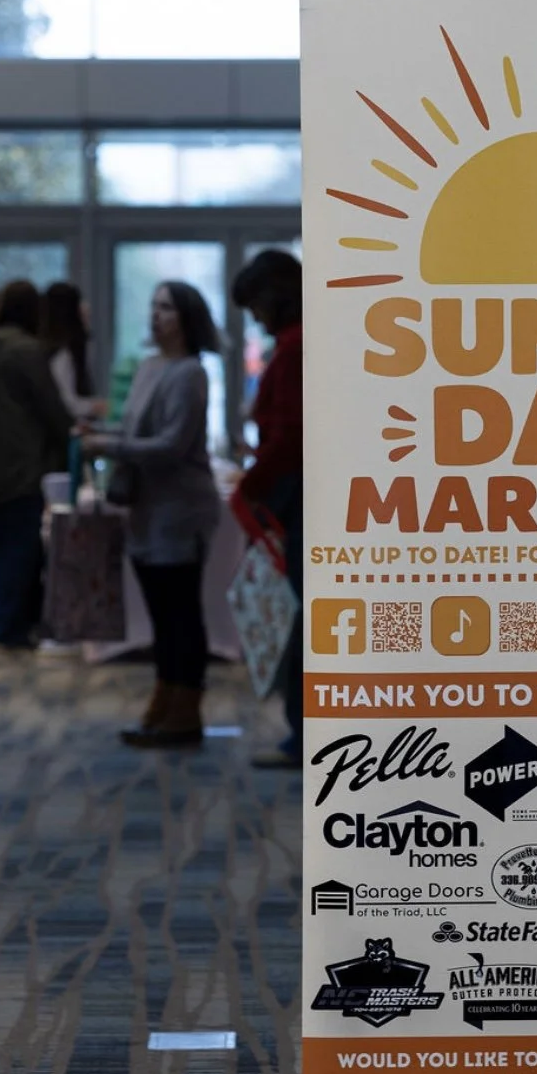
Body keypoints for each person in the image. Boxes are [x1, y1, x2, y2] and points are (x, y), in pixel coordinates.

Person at [83, 281, 221, 748]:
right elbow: (133, 428)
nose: (156, 315)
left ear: (187, 318)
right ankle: (165, 700)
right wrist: (101, 433)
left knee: (180, 611)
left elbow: (172, 446)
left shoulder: (189, 373)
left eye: (166, 307)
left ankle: (184, 708)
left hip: (179, 511)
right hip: (146, 507)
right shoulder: (147, 367)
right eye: (153, 306)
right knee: (164, 613)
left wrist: (110, 445)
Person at [230, 250, 304, 768]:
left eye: (256, 304)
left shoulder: (296, 348)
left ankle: (303, 735)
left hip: (294, 495)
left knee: (303, 618)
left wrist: (250, 486)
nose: (256, 316)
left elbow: (288, 435)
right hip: (293, 490)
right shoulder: (293, 346)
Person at [0, 280, 71, 650]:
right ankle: (8, 626)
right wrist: (70, 445)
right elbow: (51, 408)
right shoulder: (26, 351)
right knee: (19, 546)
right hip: (21, 463)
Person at [40, 281, 98, 421]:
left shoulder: (46, 347)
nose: (86, 307)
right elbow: (66, 403)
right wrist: (95, 407)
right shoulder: (62, 354)